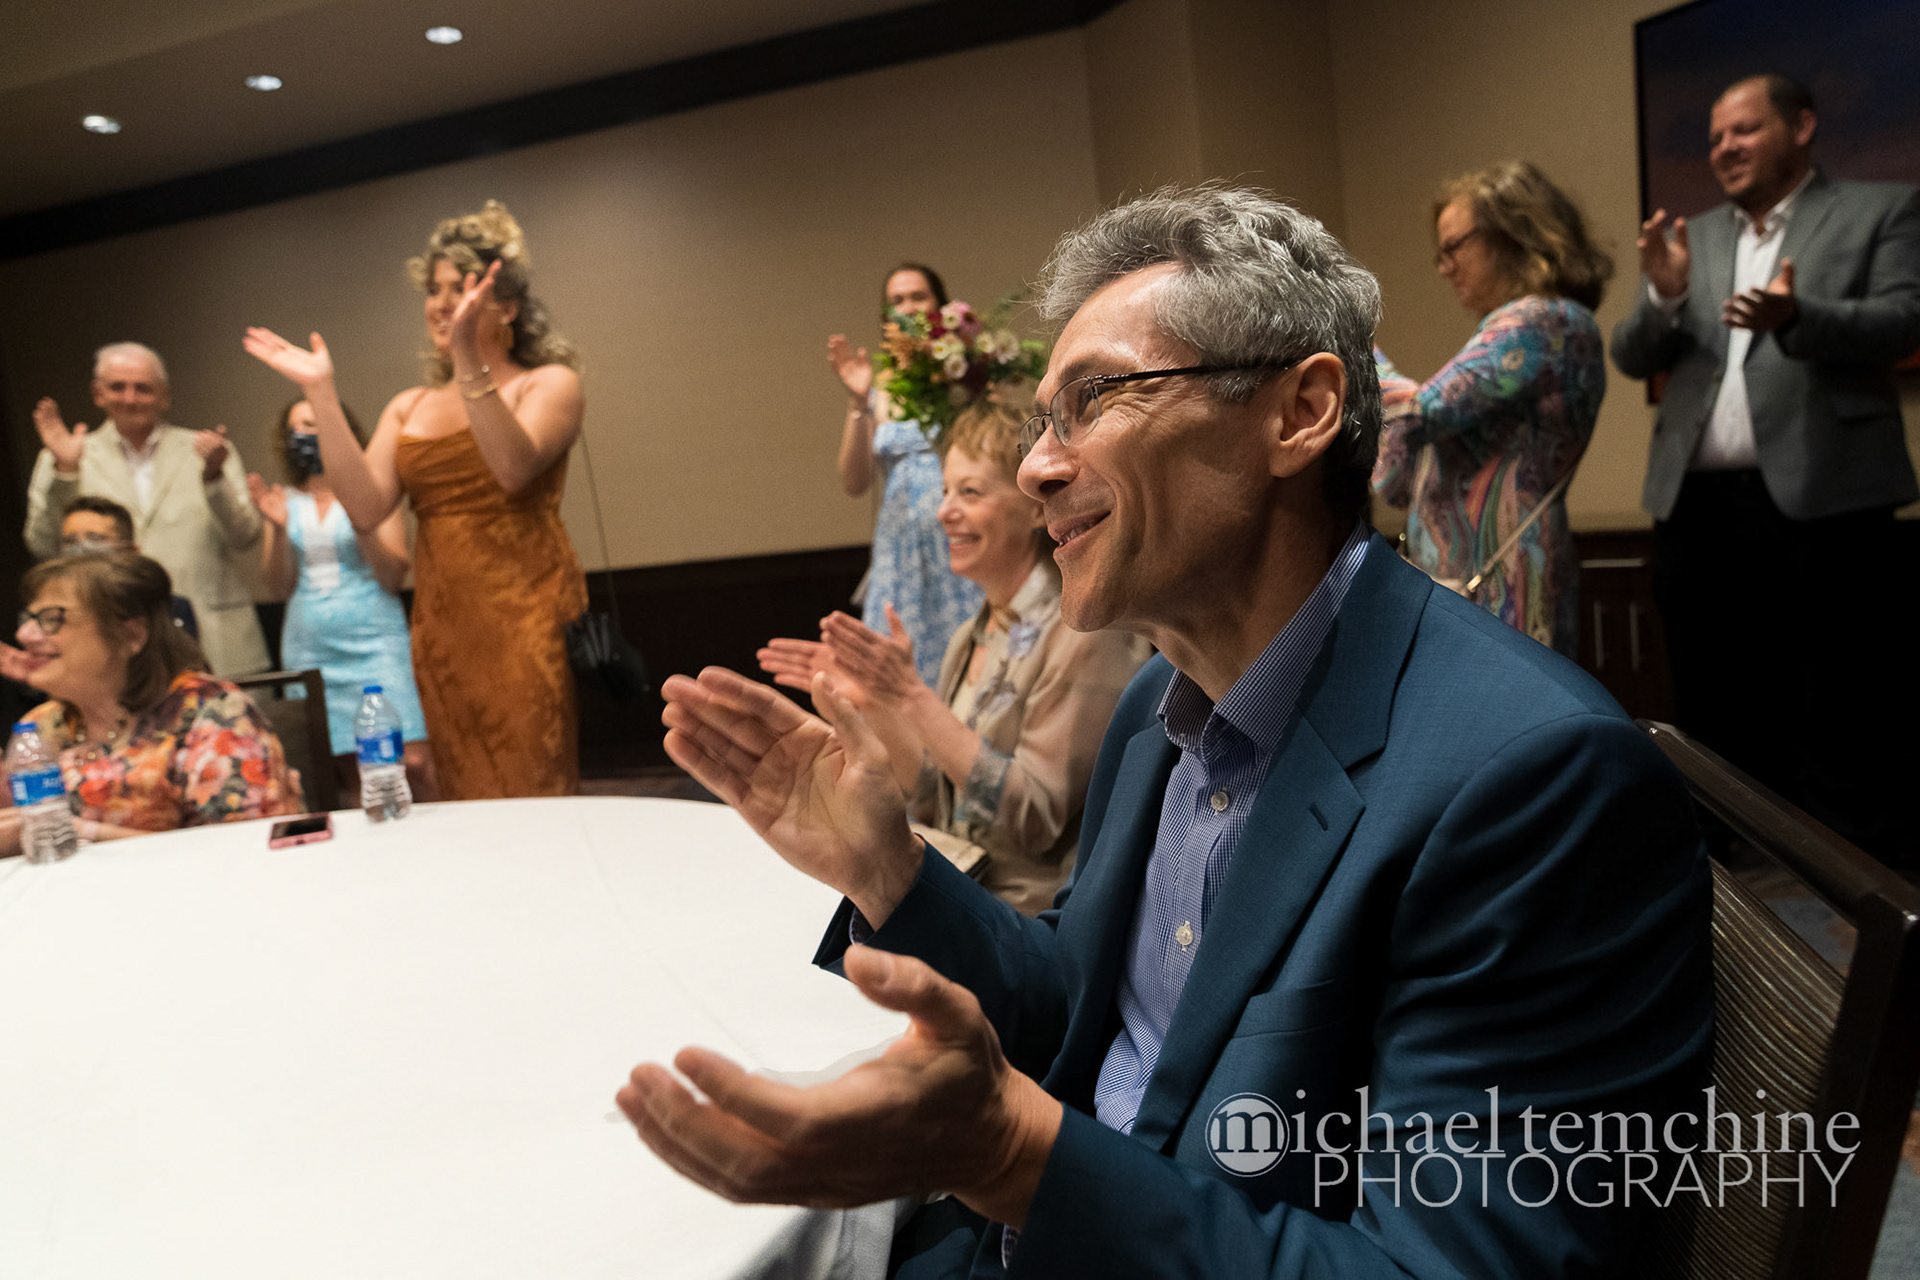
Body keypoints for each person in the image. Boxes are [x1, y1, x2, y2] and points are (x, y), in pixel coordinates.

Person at [624, 187, 1712, 1276]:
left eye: (1096, 397)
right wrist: (889, 867)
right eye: (1047, 418)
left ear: (1300, 413)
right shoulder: (1160, 703)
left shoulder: (1532, 778)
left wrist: (1016, 1155)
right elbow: (1086, 1004)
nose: (1037, 467)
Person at [1610, 73, 1920, 860]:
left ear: (1803, 126)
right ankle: (1728, 880)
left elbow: (1902, 319)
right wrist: (1667, 296)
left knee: (1839, 710)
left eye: (1743, 130)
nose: (1724, 148)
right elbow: (1632, 353)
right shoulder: (1695, 235)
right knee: (1713, 707)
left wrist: (1799, 317)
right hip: (1698, 509)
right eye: (1715, 136)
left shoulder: (1878, 210)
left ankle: (1852, 905)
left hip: (1829, 506)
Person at [242, 200, 588, 799]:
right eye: (435, 289)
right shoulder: (410, 407)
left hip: (522, 618)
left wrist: (466, 358)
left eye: (463, 287)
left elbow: (511, 469)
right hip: (439, 629)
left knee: (529, 778)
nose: (442, 301)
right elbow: (367, 508)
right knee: (454, 790)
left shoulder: (549, 384)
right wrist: (321, 394)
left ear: (506, 307)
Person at [760, 402, 1150, 915]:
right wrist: (877, 704)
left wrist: (912, 697)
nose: (944, 511)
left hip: (1036, 920)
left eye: (970, 492)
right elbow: (931, 800)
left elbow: (1033, 819)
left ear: (1035, 508)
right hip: (967, 893)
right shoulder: (972, 634)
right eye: (945, 491)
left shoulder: (1085, 634)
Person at [1372, 161, 1612, 658]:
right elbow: (1400, 477)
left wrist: (1350, 344)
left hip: (1505, 583)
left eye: (1454, 247)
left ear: (1512, 233)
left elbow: (1422, 411)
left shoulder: (1545, 320)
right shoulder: (1532, 325)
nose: (1444, 267)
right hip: (1478, 577)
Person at [0, 552, 298, 856]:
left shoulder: (214, 715)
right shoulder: (41, 727)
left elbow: (242, 853)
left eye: (51, 619)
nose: (24, 635)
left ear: (131, 636)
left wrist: (80, 833)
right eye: (29, 619)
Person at [24, 342, 269, 676]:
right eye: (117, 387)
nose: (130, 397)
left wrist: (213, 479)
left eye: (143, 388)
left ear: (164, 396)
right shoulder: (68, 455)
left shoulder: (205, 450)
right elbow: (42, 545)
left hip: (217, 640)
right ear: (97, 393)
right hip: (114, 641)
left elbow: (246, 536)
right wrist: (65, 473)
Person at [249, 397, 437, 801]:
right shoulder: (283, 502)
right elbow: (278, 588)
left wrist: (363, 522)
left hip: (376, 640)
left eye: (321, 424)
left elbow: (392, 575)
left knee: (414, 764)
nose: (311, 435)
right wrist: (278, 529)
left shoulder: (375, 493)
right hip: (310, 646)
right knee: (351, 774)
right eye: (302, 426)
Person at [830, 264, 985, 685]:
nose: (907, 307)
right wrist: (858, 403)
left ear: (940, 305)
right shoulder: (876, 386)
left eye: (918, 296)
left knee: (971, 663)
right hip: (901, 548)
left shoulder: (962, 375)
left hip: (959, 536)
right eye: (896, 300)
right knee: (898, 670)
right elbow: (855, 482)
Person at [57, 494, 200, 639]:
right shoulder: (52, 612)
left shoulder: (166, 610)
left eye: (95, 539)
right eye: (70, 541)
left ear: (131, 553)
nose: (81, 549)